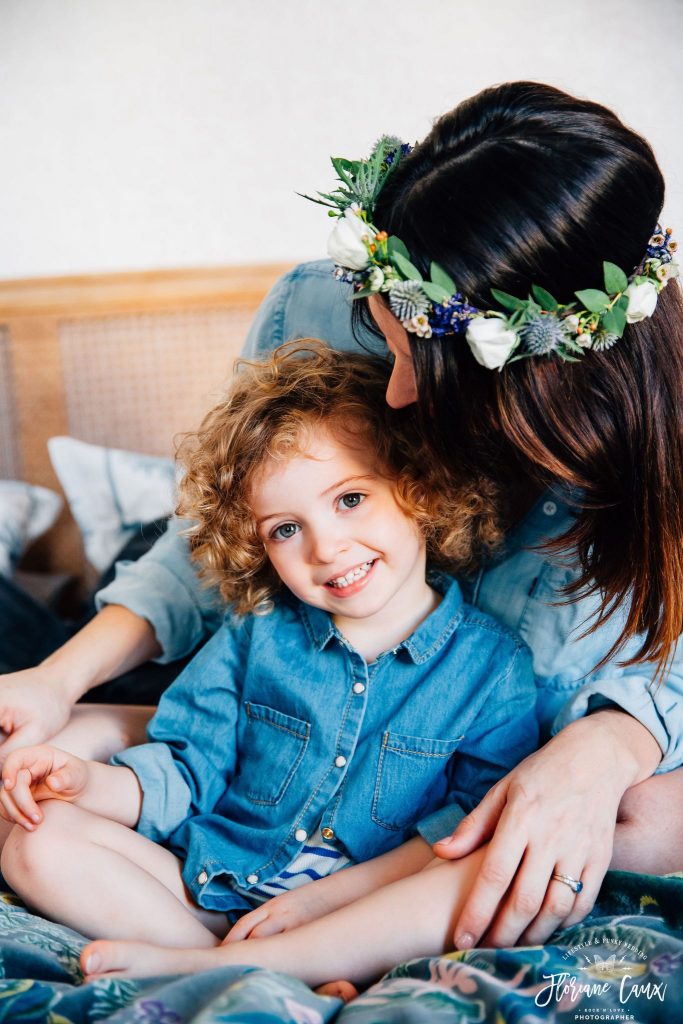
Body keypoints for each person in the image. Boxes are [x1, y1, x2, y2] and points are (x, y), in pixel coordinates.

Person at [1, 81, 682, 952]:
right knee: (44, 755)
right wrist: (59, 682)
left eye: (419, 364)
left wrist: (610, 746)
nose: (395, 392)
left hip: (399, 785)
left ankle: (262, 958)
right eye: (383, 341)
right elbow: (209, 550)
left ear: (532, 382)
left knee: (652, 816)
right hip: (245, 646)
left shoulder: (503, 657)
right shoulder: (322, 309)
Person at [0, 342, 538, 993]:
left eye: (348, 499)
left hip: (360, 916)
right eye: (285, 529)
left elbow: (462, 830)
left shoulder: (493, 668)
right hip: (211, 882)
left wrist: (321, 902)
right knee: (37, 841)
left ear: (419, 486)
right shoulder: (254, 634)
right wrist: (86, 786)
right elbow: (185, 769)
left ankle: (247, 968)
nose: (325, 547)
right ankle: (229, 965)